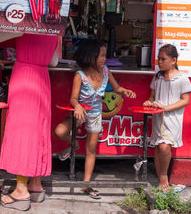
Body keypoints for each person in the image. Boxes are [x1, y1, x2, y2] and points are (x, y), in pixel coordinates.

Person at [54, 39, 136, 199]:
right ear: (91, 56)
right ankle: (74, 143)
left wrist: (124, 91)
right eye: (102, 55)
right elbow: (73, 98)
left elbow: (117, 88)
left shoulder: (105, 71)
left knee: (91, 149)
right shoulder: (80, 75)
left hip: (96, 115)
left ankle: (86, 183)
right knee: (59, 131)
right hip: (81, 113)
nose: (105, 59)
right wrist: (77, 106)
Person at [0, 32, 59, 211]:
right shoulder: (54, 22)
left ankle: (21, 189)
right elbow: (54, 61)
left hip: (24, 76)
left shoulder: (25, 19)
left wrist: (18, 27)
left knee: (22, 131)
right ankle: (36, 185)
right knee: (38, 131)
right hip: (42, 78)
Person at [143, 44, 191, 192]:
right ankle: (161, 181)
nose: (159, 62)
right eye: (158, 59)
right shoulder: (157, 77)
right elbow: (151, 97)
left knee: (164, 147)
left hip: (173, 119)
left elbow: (186, 100)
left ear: (173, 60)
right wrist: (149, 103)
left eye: (163, 59)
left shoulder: (182, 78)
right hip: (158, 120)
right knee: (158, 147)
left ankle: (164, 177)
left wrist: (166, 108)